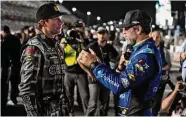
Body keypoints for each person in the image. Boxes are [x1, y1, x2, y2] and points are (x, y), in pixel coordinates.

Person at [77, 9, 162, 116]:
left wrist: (95, 65)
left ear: (138, 29)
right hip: (132, 110)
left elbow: (120, 84)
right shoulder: (140, 49)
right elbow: (126, 80)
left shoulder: (145, 55)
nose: (123, 32)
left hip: (137, 113)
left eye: (126, 28)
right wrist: (120, 68)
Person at [18, 3, 69, 116]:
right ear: (43, 22)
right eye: (57, 19)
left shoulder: (56, 46)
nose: (62, 22)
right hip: (43, 111)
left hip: (58, 111)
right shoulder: (34, 47)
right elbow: (26, 90)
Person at [84, 27, 119, 116]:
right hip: (94, 78)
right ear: (97, 34)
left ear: (107, 35)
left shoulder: (110, 47)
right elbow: (79, 59)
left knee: (104, 104)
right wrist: (89, 72)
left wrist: (114, 68)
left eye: (103, 33)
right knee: (93, 104)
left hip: (106, 78)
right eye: (100, 33)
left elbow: (117, 59)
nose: (102, 35)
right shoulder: (92, 46)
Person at [60, 20, 89, 116]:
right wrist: (64, 43)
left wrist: (82, 38)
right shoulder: (66, 39)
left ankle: (86, 114)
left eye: (81, 28)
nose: (79, 30)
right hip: (68, 71)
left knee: (84, 96)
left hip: (81, 72)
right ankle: (70, 113)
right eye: (78, 28)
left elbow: (88, 49)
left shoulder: (83, 39)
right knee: (68, 95)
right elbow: (60, 50)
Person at [150, 29, 172, 115]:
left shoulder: (165, 51)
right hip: (149, 81)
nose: (155, 39)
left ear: (160, 38)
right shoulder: (146, 49)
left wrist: (160, 69)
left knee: (156, 103)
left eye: (157, 37)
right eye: (153, 37)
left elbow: (169, 66)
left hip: (161, 81)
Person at [1, 25, 21, 106]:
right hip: (17, 64)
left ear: (3, 31)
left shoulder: (6, 40)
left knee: (6, 83)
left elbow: (4, 54)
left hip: (9, 65)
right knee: (14, 83)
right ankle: (14, 99)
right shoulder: (16, 39)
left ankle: (5, 100)